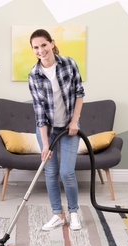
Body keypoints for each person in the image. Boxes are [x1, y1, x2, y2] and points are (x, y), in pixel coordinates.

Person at [28, 29, 85, 231]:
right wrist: (45, 144)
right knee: (50, 173)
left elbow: (80, 93)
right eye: (36, 47)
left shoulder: (69, 64)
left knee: (67, 172)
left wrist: (74, 121)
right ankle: (58, 215)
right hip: (48, 130)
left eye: (43, 45)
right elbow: (39, 113)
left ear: (52, 43)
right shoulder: (34, 75)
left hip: (70, 128)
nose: (40, 50)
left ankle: (73, 212)